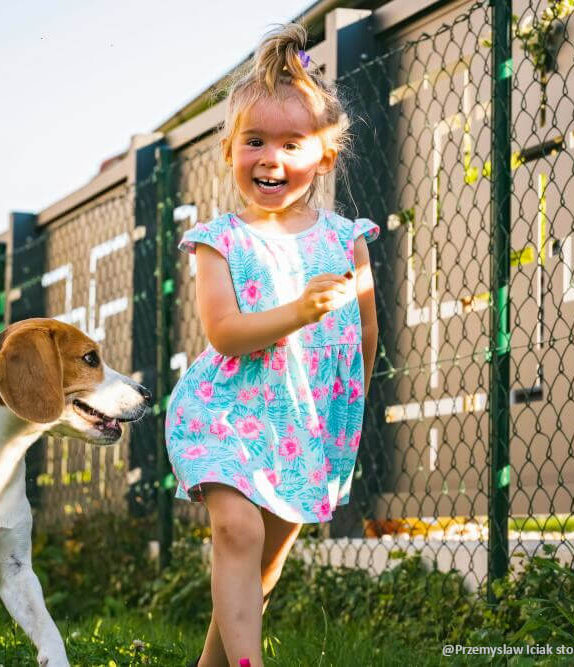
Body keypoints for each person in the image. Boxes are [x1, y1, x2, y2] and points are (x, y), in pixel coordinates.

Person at [163, 22, 379, 667]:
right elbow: (225, 332)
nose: (271, 159)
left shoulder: (347, 239)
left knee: (260, 562)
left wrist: (348, 415)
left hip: (308, 421)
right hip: (225, 411)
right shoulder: (217, 241)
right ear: (230, 149)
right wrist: (296, 311)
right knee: (237, 528)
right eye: (254, 141)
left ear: (324, 156)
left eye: (292, 143)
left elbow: (365, 334)